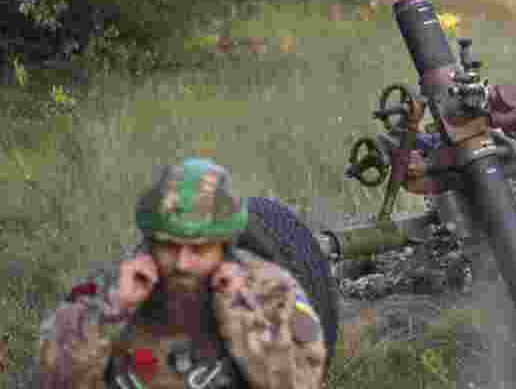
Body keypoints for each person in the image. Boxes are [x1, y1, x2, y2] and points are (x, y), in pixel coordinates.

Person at [35, 158, 328, 389]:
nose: (182, 264)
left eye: (198, 250)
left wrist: (242, 315)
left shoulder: (272, 291)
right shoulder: (107, 292)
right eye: (169, 247)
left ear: (224, 247)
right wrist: (111, 311)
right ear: (151, 243)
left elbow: (302, 382)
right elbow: (52, 380)